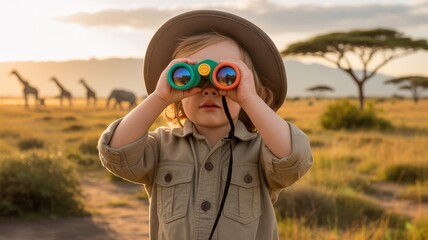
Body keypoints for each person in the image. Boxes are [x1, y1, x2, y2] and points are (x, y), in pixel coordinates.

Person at [98, 10, 313, 240]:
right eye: (189, 78)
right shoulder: (161, 147)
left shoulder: (262, 150)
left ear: (249, 86)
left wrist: (249, 98)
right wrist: (159, 97)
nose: (210, 89)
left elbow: (294, 158)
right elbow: (116, 153)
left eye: (227, 76)